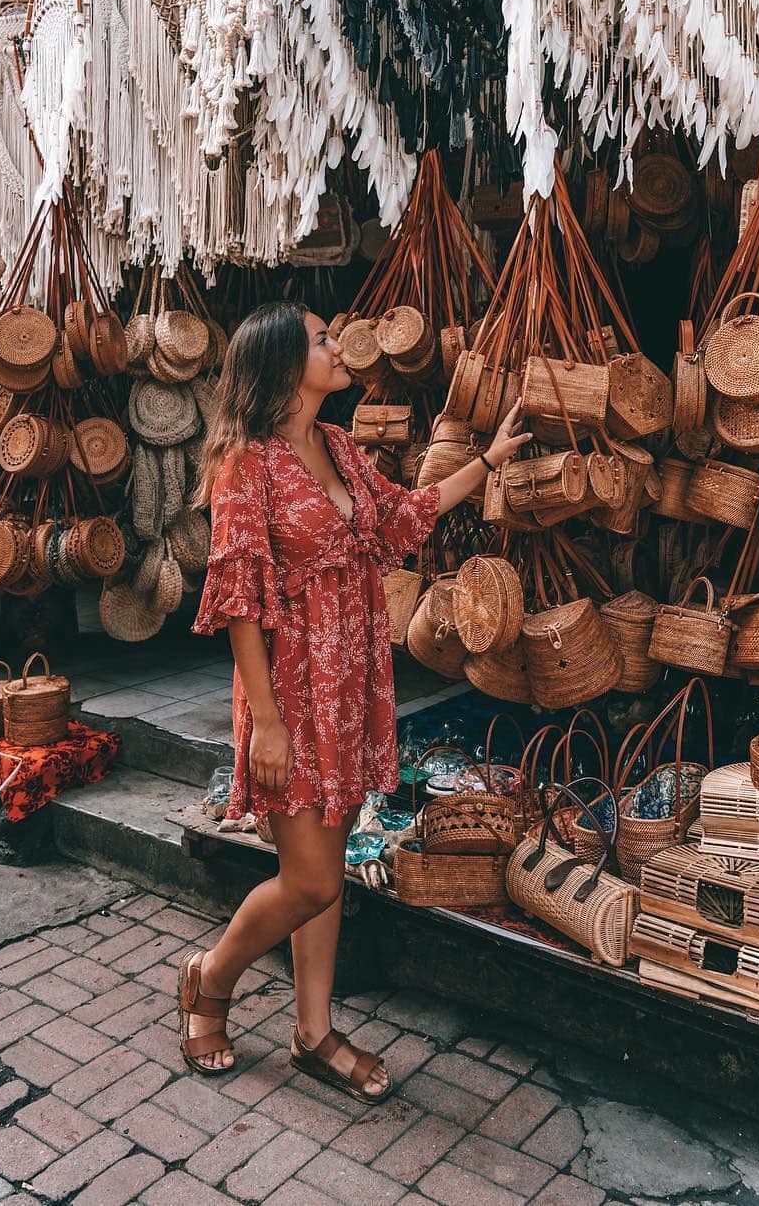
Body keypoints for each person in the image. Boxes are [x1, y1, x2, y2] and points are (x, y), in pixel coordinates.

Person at [181, 302, 530, 1102]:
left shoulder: (338, 447)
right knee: (311, 882)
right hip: (290, 692)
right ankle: (210, 976)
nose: (339, 347)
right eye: (323, 340)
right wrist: (265, 722)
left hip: (349, 687)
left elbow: (405, 517)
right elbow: (238, 602)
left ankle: (313, 1031)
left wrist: (488, 462)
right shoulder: (246, 463)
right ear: (281, 365)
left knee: (327, 869)